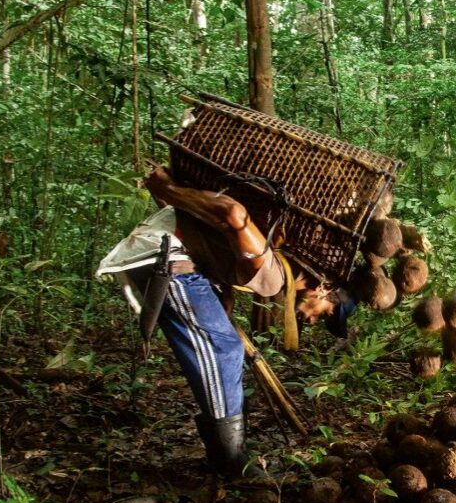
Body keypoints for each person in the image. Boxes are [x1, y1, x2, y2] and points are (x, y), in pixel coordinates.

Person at [97, 167, 356, 479]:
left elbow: (220, 265)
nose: (313, 320)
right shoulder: (273, 277)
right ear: (324, 288)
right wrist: (167, 188)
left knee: (225, 347)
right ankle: (232, 462)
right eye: (325, 312)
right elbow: (234, 213)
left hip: (170, 254)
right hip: (166, 257)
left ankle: (226, 455)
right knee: (224, 350)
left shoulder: (279, 268)